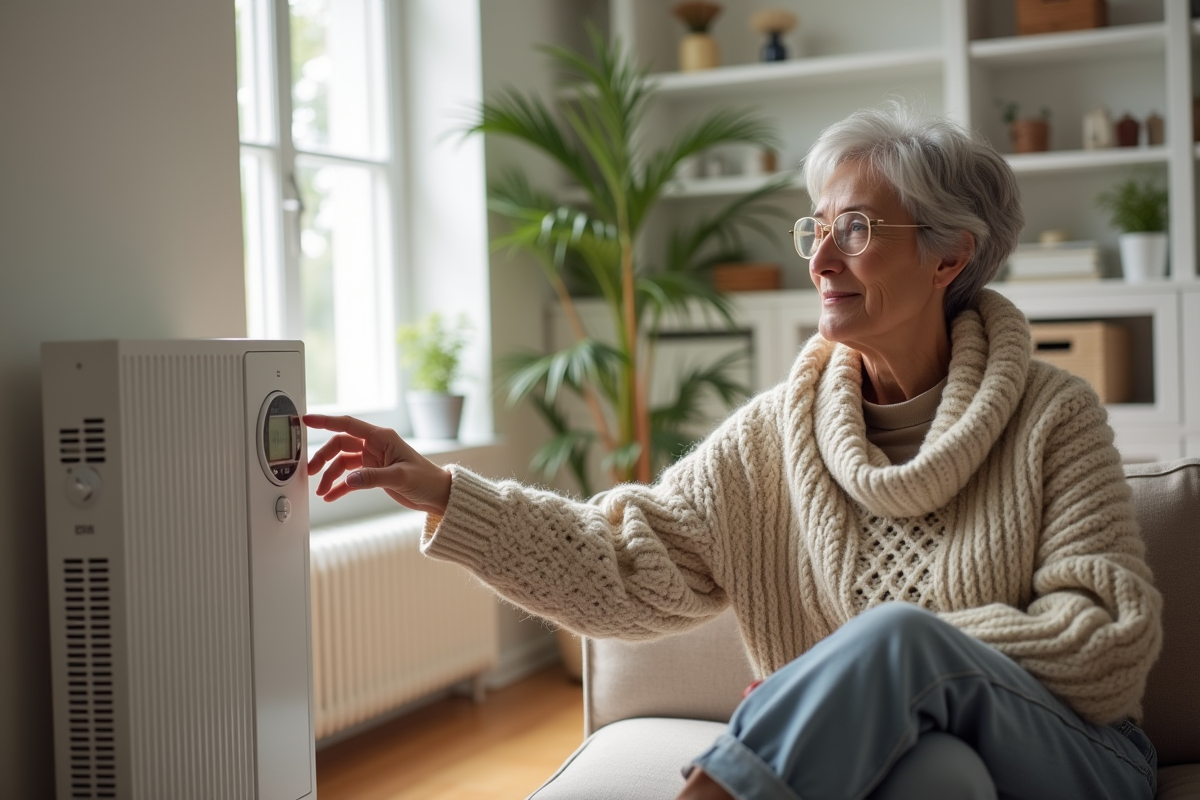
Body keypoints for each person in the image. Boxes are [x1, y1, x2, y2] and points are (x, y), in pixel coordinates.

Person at [305, 103, 1162, 800]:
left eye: (856, 229)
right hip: (938, 770)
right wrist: (447, 495)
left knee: (899, 638)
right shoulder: (772, 438)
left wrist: (841, 674)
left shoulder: (1055, 417)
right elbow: (621, 566)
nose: (821, 258)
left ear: (950, 256)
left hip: (1074, 759)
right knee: (935, 777)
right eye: (815, 229)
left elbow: (1106, 643)